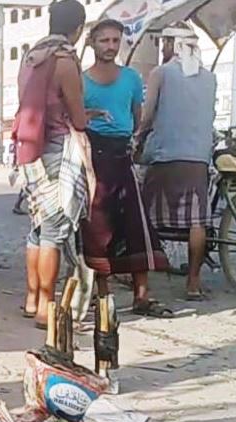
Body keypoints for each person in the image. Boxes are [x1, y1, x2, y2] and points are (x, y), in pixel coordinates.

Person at [82, 19, 171, 316]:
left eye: (115, 41)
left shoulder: (132, 78)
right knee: (97, 224)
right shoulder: (81, 81)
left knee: (137, 223)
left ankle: (141, 296)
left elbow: (137, 117)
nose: (109, 46)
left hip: (122, 154)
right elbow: (73, 118)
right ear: (92, 42)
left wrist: (133, 141)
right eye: (104, 40)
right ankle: (102, 294)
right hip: (93, 156)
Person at [13, 0, 92, 328]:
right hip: (57, 147)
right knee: (54, 229)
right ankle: (47, 306)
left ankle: (32, 298)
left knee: (36, 224)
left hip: (28, 147)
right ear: (78, 29)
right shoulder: (64, 60)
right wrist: (86, 118)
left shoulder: (30, 58)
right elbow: (76, 115)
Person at [138, 23, 217, 300]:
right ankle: (193, 283)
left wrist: (137, 138)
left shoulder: (161, 73)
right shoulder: (210, 78)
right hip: (198, 158)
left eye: (165, 43)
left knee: (143, 215)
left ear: (172, 45)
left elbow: (147, 116)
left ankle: (140, 280)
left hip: (165, 156)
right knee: (198, 220)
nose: (163, 49)